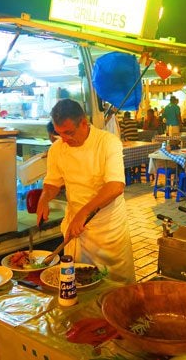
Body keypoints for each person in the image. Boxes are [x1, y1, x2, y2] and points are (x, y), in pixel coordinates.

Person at [36, 99, 135, 283]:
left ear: (83, 123)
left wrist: (84, 212)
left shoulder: (107, 142)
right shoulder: (58, 148)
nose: (64, 139)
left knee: (117, 289)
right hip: (77, 231)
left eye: (68, 133)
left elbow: (115, 186)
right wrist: (44, 198)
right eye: (59, 134)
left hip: (108, 232)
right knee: (80, 286)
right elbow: (52, 181)